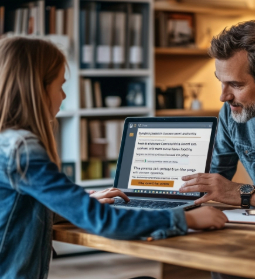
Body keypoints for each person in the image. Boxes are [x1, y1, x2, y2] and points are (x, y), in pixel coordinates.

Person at [0, 37, 227, 279]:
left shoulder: (8, 143)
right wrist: (187, 218)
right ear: (37, 89)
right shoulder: (22, 150)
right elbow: (104, 221)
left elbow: (22, 208)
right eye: (60, 86)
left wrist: (82, 204)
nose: (63, 96)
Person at [179, 20, 255, 279]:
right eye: (220, 82)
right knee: (224, 263)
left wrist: (241, 192)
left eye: (235, 84)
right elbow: (211, 177)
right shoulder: (232, 112)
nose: (223, 96)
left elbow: (231, 190)